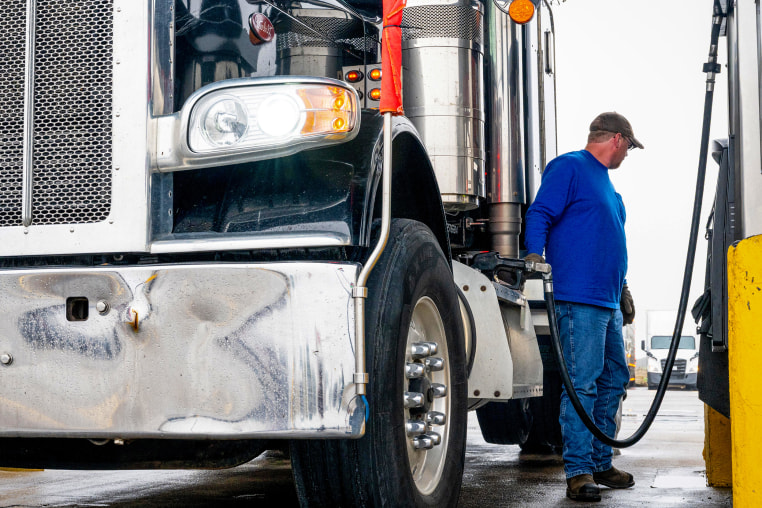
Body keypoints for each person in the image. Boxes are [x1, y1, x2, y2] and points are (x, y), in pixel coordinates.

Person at [524, 112, 640, 502]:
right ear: (619, 140)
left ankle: (600, 461)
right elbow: (540, 212)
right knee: (583, 384)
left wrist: (622, 288)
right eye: (629, 148)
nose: (627, 155)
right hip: (578, 298)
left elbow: (610, 244)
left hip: (606, 301)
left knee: (613, 380)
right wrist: (534, 255)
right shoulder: (570, 167)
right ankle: (578, 471)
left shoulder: (611, 191)